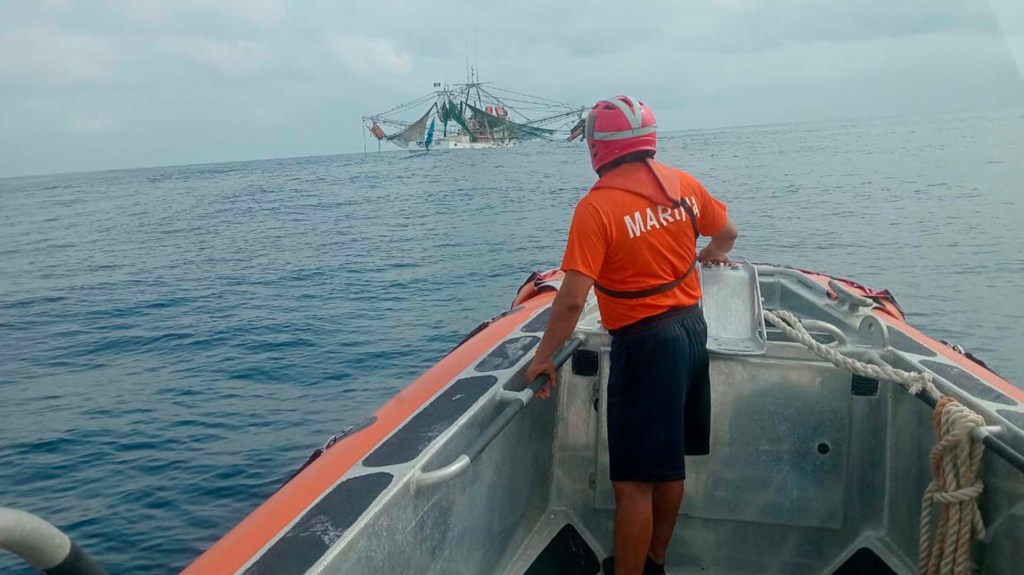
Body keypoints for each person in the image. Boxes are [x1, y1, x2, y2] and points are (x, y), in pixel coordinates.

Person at [525, 95, 738, 575]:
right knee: (669, 465)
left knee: (634, 482)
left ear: (598, 147)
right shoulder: (683, 185)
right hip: (690, 333)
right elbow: (727, 234)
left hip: (645, 346)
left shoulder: (596, 209)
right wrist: (708, 258)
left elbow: (573, 299)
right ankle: (654, 562)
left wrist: (543, 355)